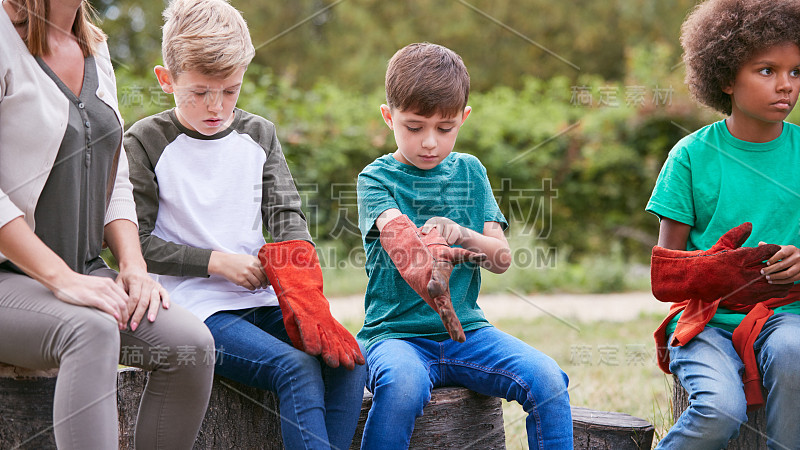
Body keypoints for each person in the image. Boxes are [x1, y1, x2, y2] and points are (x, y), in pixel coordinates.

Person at [124, 1, 366, 448]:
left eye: (230, 91)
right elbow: (134, 243)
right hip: (194, 307)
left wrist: (304, 290)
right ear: (166, 79)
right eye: (199, 92)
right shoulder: (144, 141)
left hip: (261, 295)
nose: (216, 107)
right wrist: (218, 262)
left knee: (349, 363)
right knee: (294, 368)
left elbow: (287, 216)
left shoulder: (259, 135)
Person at [0, 0, 216, 448]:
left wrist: (134, 267)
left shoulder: (94, 49)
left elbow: (114, 180)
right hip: (11, 280)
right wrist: (61, 280)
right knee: (91, 329)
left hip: (84, 271)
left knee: (191, 347)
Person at [356, 42, 573, 449]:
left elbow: (501, 258)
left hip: (468, 333)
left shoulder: (471, 172)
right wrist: (427, 250)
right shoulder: (375, 179)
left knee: (547, 379)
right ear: (389, 117)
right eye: (415, 127)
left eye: (445, 128)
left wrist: (461, 233)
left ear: (463, 119)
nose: (430, 143)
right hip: (394, 336)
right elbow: (394, 232)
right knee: (402, 387)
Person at [646, 0, 800, 447]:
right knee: (720, 408)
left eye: (796, 72)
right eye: (767, 70)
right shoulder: (691, 157)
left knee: (794, 355)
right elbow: (666, 274)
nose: (785, 86)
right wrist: (714, 270)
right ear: (726, 77)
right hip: (706, 321)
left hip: (785, 315)